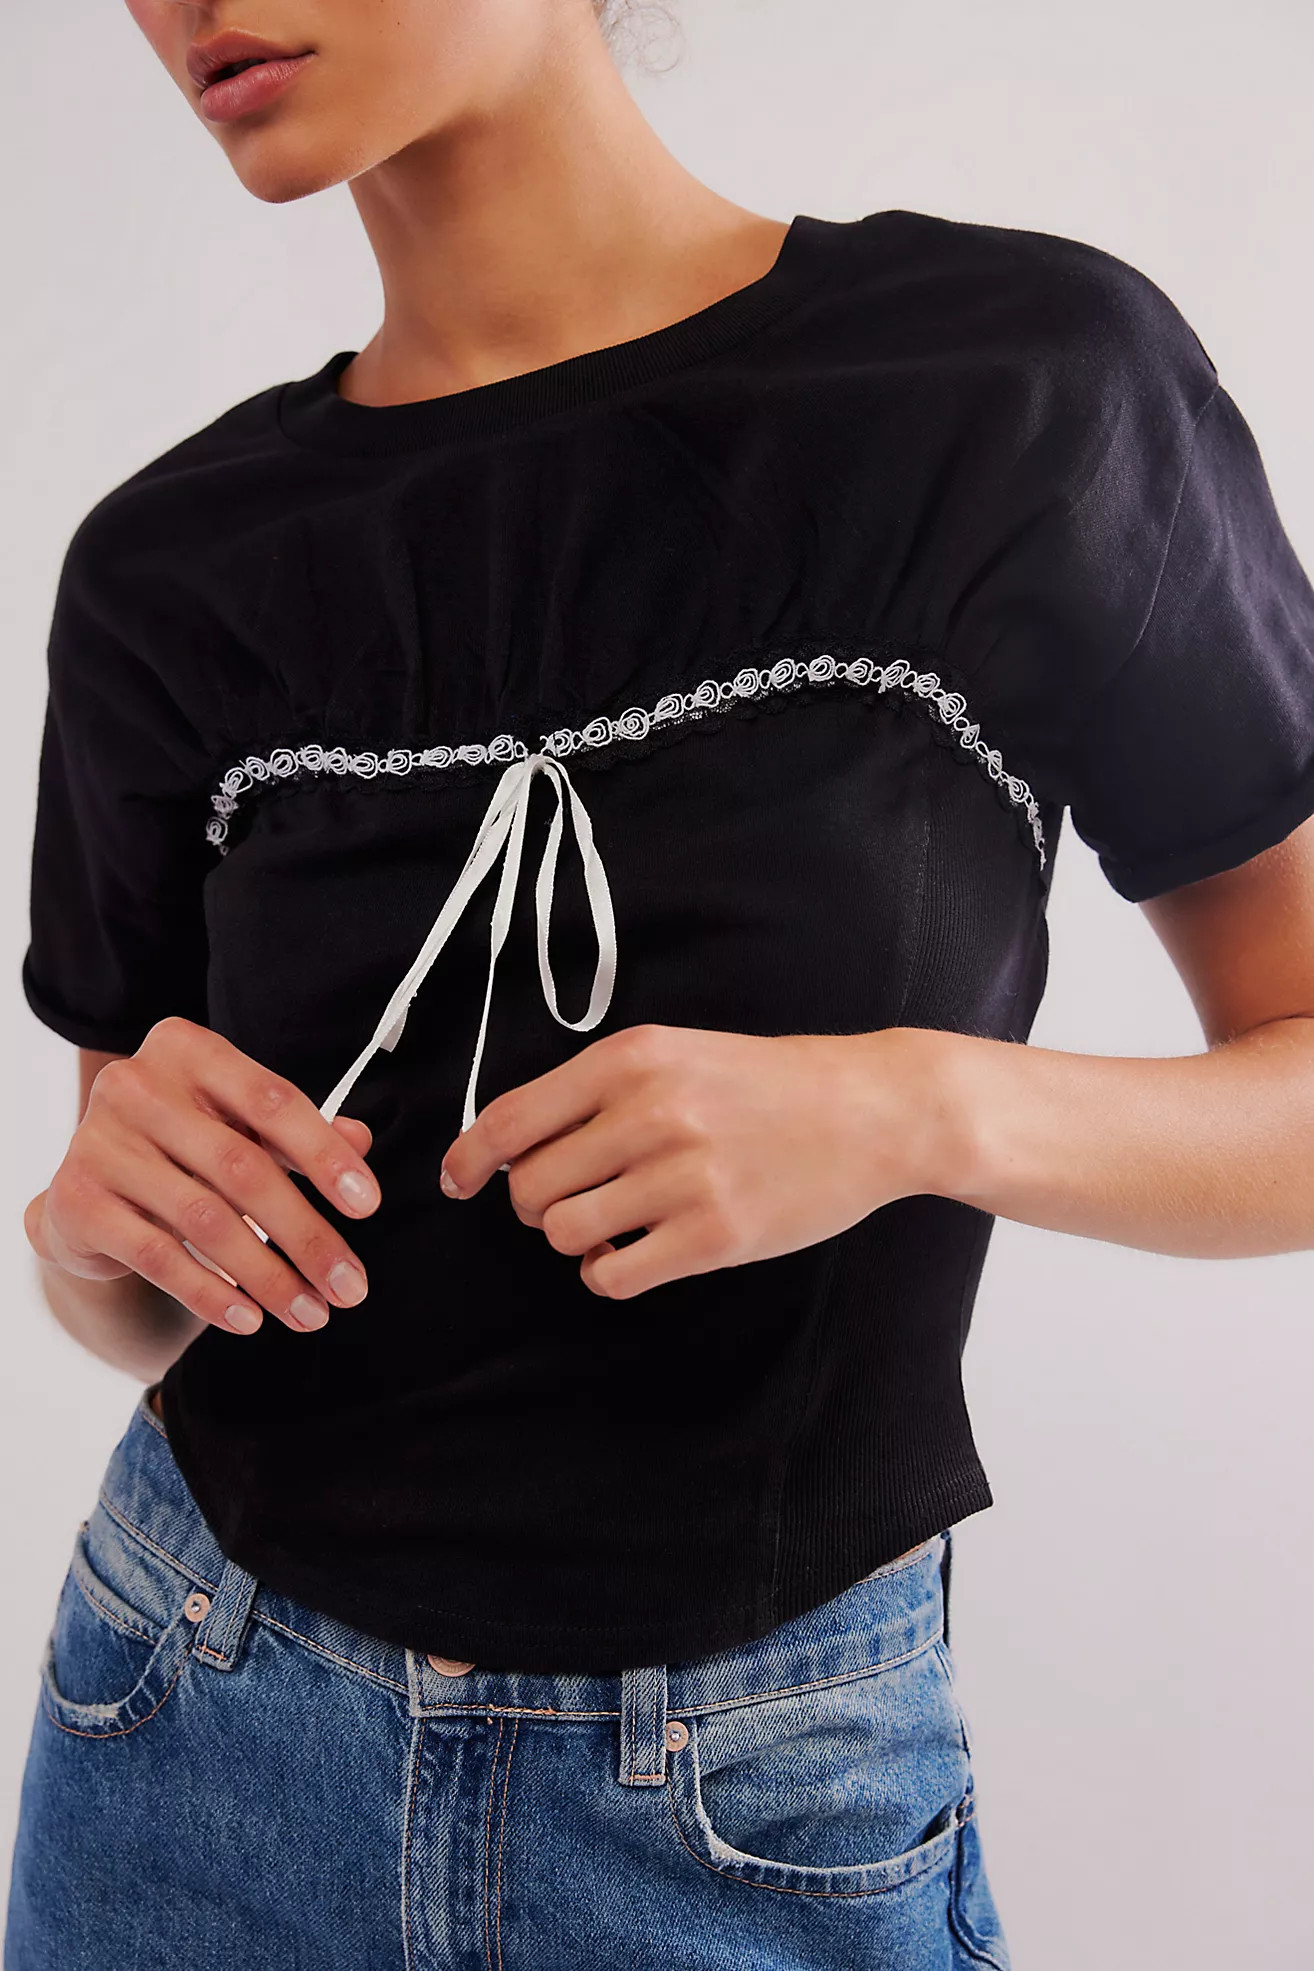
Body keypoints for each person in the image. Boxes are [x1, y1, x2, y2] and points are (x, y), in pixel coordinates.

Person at [7, 0, 1314, 1964]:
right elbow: (138, 1291)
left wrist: (910, 1107)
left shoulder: (1013, 384)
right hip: (186, 1724)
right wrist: (88, 1231)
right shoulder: (166, 566)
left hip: (750, 1803)